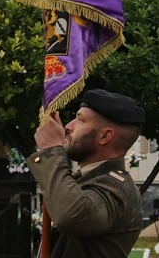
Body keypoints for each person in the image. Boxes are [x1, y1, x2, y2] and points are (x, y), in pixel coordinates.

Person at [30, 89, 145, 258]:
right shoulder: (84, 179)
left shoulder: (117, 188)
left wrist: (52, 151)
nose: (68, 126)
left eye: (80, 120)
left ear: (105, 136)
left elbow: (70, 216)